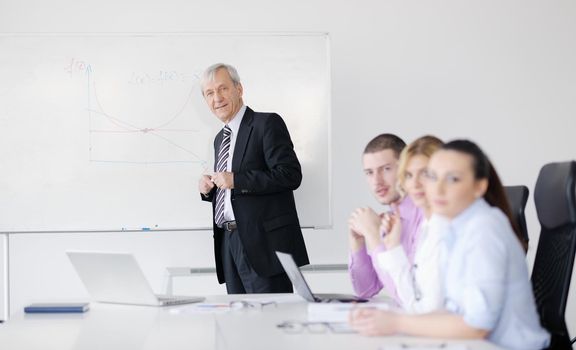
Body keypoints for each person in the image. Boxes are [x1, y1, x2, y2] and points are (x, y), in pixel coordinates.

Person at [350, 140, 550, 350]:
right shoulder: (450, 227)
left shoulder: (484, 229)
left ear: (479, 186)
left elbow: (477, 326)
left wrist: (395, 323)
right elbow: (430, 307)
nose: (437, 188)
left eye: (453, 179)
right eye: (433, 177)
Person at [198, 63, 309, 294]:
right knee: (238, 323)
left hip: (263, 246)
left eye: (223, 89)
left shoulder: (266, 124)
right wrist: (209, 190)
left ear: (239, 89)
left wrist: (236, 180)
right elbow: (233, 192)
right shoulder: (220, 138)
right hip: (229, 243)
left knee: (270, 321)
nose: (217, 98)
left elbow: (290, 175)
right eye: (209, 93)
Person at [375, 135, 448, 313]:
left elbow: (429, 314)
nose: (414, 184)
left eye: (425, 173)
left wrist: (395, 324)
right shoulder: (427, 227)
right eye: (408, 175)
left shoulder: (451, 229)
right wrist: (393, 247)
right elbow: (415, 304)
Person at [348, 134, 423, 300]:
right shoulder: (389, 220)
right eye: (369, 172)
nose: (376, 181)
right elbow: (366, 290)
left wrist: (374, 236)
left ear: (405, 168)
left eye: (386, 169)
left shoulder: (426, 215)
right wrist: (358, 244)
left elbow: (409, 296)